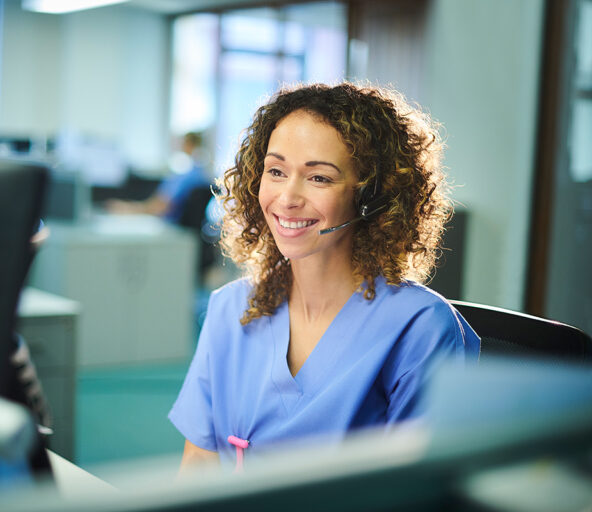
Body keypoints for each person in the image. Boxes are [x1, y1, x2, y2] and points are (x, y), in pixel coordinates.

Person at [167, 82, 480, 474]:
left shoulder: (420, 329)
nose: (287, 198)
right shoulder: (230, 308)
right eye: (276, 171)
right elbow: (198, 465)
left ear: (372, 197)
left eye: (319, 178)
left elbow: (421, 492)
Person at [105, 131, 211, 224]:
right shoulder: (200, 175)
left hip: (171, 228)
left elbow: (161, 207)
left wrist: (130, 209)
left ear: (188, 145)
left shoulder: (184, 177)